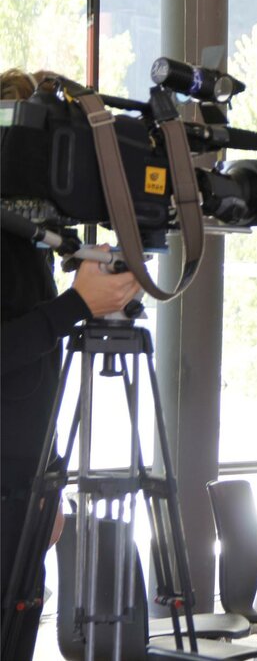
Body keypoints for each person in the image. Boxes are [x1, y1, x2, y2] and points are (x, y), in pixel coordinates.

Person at [1, 68, 142, 660]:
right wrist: (75, 306)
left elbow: (34, 383)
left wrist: (51, 481)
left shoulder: (29, 241)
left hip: (24, 492)